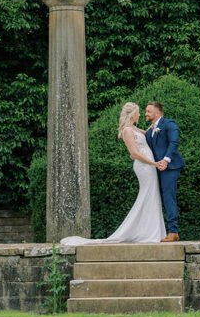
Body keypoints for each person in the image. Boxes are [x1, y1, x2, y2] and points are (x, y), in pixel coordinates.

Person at [60, 102, 166, 246]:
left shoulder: (133, 128)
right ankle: (145, 231)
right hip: (144, 167)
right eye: (138, 112)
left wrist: (156, 126)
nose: (140, 115)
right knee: (147, 194)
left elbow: (146, 135)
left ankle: (151, 230)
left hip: (149, 166)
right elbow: (134, 153)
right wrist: (154, 163)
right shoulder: (127, 131)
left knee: (151, 195)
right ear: (133, 114)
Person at [145, 100, 184, 242]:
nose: (146, 114)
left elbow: (174, 142)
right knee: (157, 198)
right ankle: (158, 230)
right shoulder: (150, 131)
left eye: (148, 111)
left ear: (156, 113)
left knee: (169, 197)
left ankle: (173, 231)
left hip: (171, 166)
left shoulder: (169, 124)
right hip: (156, 168)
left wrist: (165, 160)